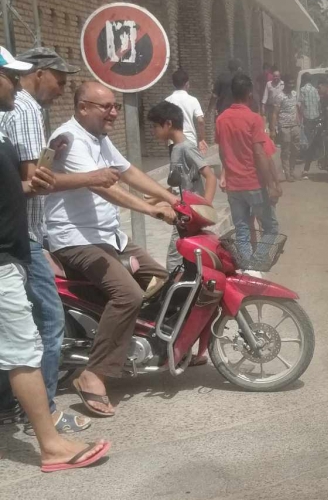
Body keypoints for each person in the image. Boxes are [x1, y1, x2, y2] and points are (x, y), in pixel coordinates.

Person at [0, 46, 112, 473]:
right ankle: (47, 434)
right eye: (9, 75)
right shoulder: (24, 111)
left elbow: (24, 181)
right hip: (14, 246)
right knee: (40, 330)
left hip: (21, 241)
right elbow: (33, 183)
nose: (15, 82)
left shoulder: (10, 117)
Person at [44, 82, 178, 417]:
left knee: (164, 279)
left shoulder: (99, 140)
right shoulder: (70, 139)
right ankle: (93, 374)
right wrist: (150, 209)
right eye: (107, 107)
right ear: (83, 107)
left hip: (109, 237)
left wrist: (172, 198)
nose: (114, 113)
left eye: (116, 106)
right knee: (128, 295)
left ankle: (158, 345)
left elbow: (128, 172)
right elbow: (105, 188)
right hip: (75, 239)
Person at [216, 73, 281, 273]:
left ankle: (246, 268)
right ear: (250, 94)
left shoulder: (221, 119)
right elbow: (261, 154)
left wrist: (225, 174)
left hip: (234, 187)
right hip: (254, 184)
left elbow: (222, 151)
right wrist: (271, 184)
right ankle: (256, 262)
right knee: (270, 228)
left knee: (242, 230)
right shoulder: (254, 119)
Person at [147, 101, 217, 271]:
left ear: (168, 124)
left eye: (156, 126)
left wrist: (202, 211)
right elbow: (179, 186)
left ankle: (176, 295)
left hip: (188, 216)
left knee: (173, 261)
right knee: (187, 260)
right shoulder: (176, 148)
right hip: (184, 214)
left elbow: (210, 176)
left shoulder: (187, 148)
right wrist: (152, 200)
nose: (153, 131)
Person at [165, 69, 208, 156]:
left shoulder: (167, 101)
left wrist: (167, 140)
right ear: (187, 84)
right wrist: (202, 139)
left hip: (174, 142)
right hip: (190, 141)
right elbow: (200, 121)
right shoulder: (193, 100)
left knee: (177, 168)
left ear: (173, 84)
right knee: (192, 168)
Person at [269, 75, 302, 182]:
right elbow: (275, 113)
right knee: (286, 150)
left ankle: (292, 171)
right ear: (285, 84)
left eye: (293, 83)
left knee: (296, 149)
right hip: (284, 126)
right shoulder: (279, 96)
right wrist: (273, 129)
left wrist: (300, 122)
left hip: (295, 125)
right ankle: (287, 174)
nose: (291, 85)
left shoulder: (294, 94)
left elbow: (296, 108)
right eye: (289, 83)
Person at [297, 72, 321, 180]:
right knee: (313, 137)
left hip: (307, 118)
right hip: (315, 117)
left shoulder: (302, 90)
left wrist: (300, 118)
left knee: (307, 138)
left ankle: (308, 156)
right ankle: (314, 155)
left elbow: (301, 105)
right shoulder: (315, 90)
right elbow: (318, 103)